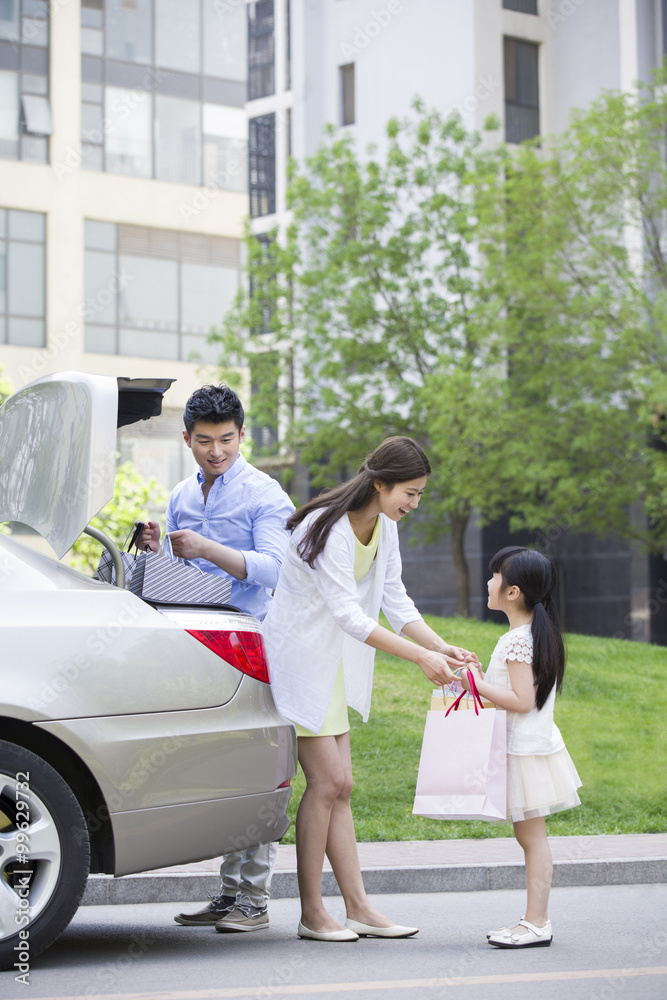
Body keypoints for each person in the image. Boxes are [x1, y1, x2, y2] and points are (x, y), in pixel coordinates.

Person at [263, 436, 476, 942]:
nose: (414, 503)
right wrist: (421, 658)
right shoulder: (328, 527)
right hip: (299, 661)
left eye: (420, 494)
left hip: (330, 662)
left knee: (342, 786)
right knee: (327, 782)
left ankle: (358, 907)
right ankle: (313, 913)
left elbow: (397, 602)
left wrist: (443, 648)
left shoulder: (384, 525)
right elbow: (349, 615)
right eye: (410, 492)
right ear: (380, 483)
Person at [139, 384, 295, 934]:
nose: (216, 451)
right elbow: (186, 578)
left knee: (256, 765)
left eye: (226, 439)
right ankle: (230, 894)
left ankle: (253, 899)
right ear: (187, 438)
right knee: (225, 766)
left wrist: (207, 549)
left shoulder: (265, 495)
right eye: (204, 441)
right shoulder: (183, 493)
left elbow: (279, 571)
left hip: (255, 645)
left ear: (242, 434)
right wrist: (157, 548)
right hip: (200, 647)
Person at [460, 545, 582, 949]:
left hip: (523, 750)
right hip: (530, 747)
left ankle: (535, 923)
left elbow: (521, 700)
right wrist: (481, 676)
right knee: (531, 837)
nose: (489, 582)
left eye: (496, 576)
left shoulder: (518, 640)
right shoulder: (529, 634)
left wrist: (475, 684)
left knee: (531, 839)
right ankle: (535, 921)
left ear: (513, 592)